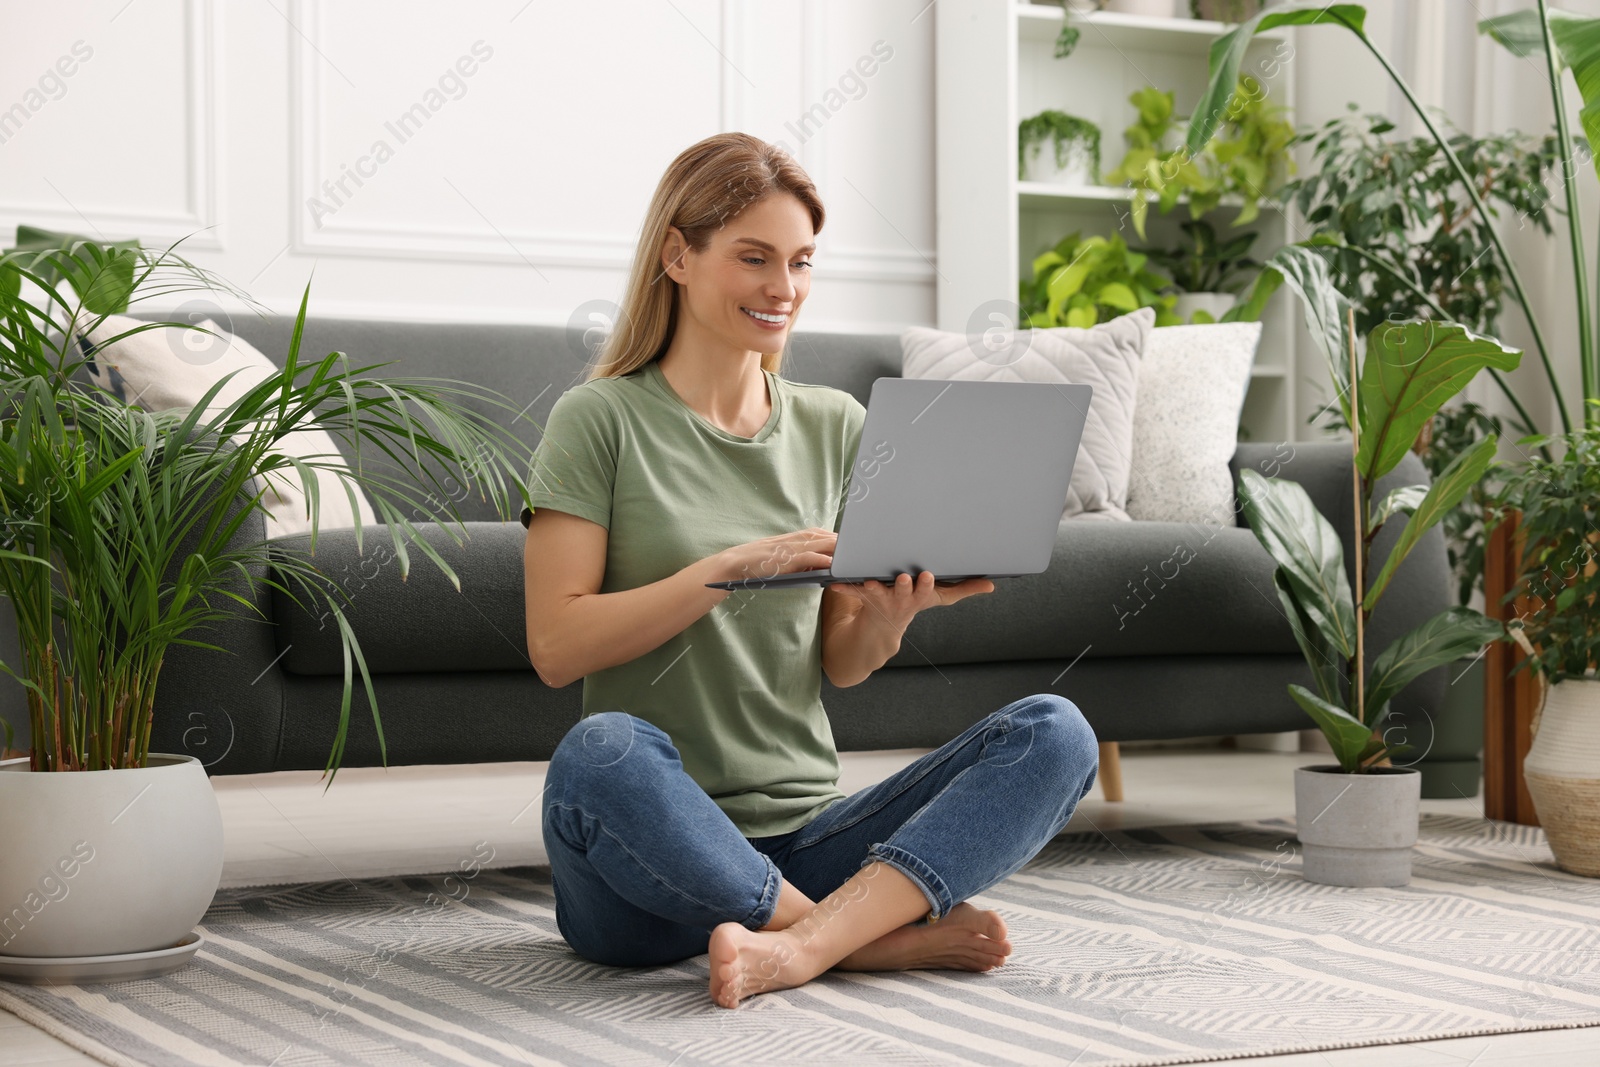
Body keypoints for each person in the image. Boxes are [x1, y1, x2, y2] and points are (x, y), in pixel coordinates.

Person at [521, 132, 1100, 1010]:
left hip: (806, 833)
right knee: (599, 752)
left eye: (799, 262)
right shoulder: (598, 418)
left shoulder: (834, 425)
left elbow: (839, 662)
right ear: (678, 254)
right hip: (642, 873)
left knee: (1057, 731)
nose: (783, 289)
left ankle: (805, 940)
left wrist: (886, 615)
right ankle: (854, 940)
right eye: (754, 258)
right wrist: (722, 571)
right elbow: (557, 645)